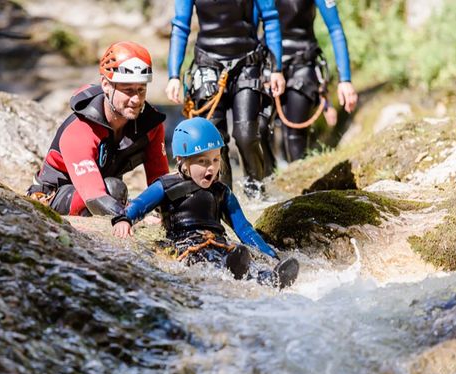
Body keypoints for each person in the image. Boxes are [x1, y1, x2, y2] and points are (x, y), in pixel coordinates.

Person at [112, 117, 299, 288]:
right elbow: (139, 205)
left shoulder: (221, 192)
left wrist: (271, 256)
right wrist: (124, 219)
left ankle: (271, 277)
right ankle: (231, 269)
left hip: (218, 243)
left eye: (216, 159)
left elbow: (244, 229)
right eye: (202, 161)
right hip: (186, 246)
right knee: (208, 258)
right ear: (182, 161)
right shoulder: (165, 186)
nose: (211, 167)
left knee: (237, 256)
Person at [27, 41, 169, 216]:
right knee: (114, 189)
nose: (136, 100)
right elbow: (95, 196)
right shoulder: (80, 129)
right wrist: (130, 217)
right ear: (106, 85)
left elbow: (161, 183)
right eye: (128, 90)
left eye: (141, 90)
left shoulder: (151, 126)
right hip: (56, 195)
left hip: (106, 189)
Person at [165, 0, 286, 197]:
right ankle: (222, 199)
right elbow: (180, 25)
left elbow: (271, 18)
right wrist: (173, 76)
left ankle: (256, 194)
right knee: (214, 141)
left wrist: (276, 69)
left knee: (247, 134)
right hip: (207, 64)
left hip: (248, 62)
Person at [274, 0, 358, 162]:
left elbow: (335, 29)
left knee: (294, 135)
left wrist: (345, 80)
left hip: (303, 64)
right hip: (268, 65)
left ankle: (299, 182)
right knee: (258, 132)